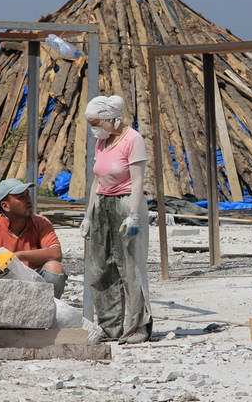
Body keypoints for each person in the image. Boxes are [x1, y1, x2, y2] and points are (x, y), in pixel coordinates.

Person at [81, 94, 152, 344]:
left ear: (110, 119)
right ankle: (110, 327)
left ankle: (138, 327)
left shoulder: (133, 140)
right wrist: (88, 215)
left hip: (125, 204)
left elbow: (138, 181)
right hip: (102, 204)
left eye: (95, 123)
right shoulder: (102, 142)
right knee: (101, 268)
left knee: (130, 267)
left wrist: (133, 215)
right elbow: (96, 180)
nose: (94, 129)